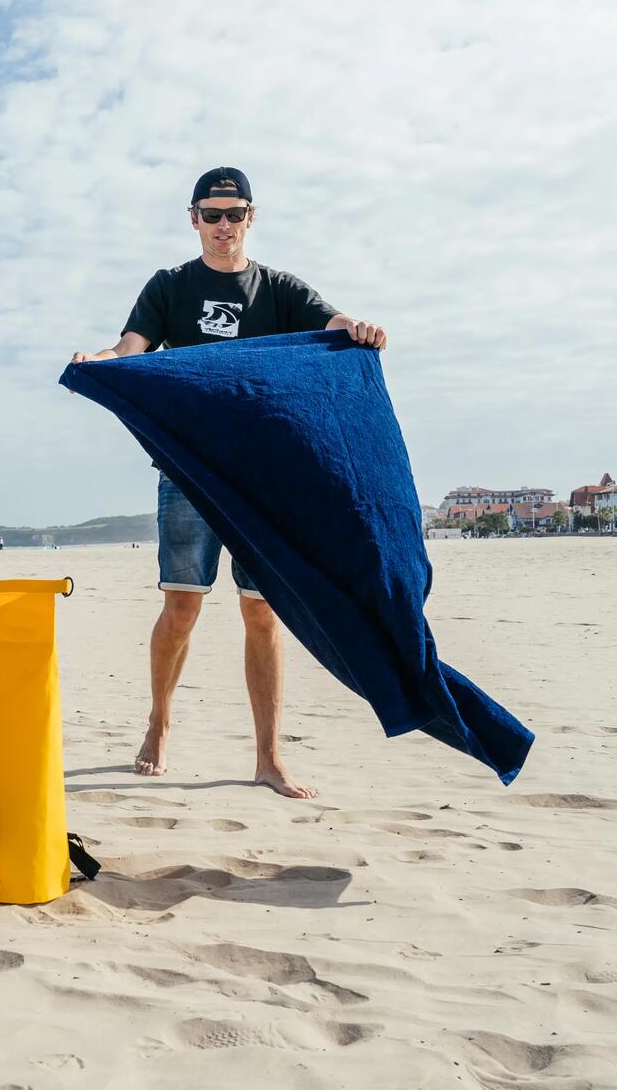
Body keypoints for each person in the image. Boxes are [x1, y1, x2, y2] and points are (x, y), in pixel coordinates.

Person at [71, 167, 387, 798]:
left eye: (233, 214)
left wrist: (358, 330)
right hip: (189, 470)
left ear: (251, 217)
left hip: (264, 479)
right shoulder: (169, 287)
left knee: (262, 613)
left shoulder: (279, 288)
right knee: (182, 607)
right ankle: (159, 721)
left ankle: (268, 757)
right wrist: (99, 361)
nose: (222, 226)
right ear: (193, 219)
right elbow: (132, 348)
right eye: (210, 215)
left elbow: (330, 324)